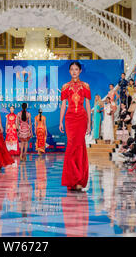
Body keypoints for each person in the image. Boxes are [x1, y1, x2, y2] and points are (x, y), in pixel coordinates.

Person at [59, 62, 91, 192]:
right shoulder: (65, 86)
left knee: (79, 147)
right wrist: (60, 121)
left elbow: (88, 104)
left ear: (80, 71)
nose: (74, 72)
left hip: (81, 119)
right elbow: (63, 105)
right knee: (71, 147)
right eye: (71, 69)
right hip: (70, 119)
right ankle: (72, 180)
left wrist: (89, 123)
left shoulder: (85, 86)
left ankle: (79, 180)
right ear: (69, 71)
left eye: (76, 69)